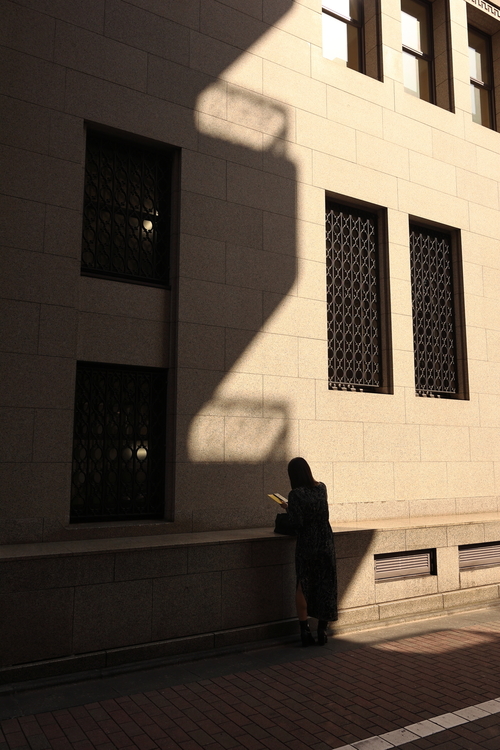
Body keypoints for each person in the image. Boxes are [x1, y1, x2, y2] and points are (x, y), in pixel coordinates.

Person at [283, 457, 337, 646]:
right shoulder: (322, 488)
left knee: (303, 584)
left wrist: (288, 509)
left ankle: (305, 631)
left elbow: (296, 522)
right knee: (326, 584)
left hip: (307, 543)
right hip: (325, 540)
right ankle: (322, 630)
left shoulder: (295, 494)